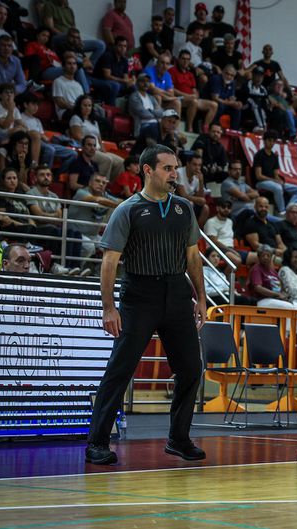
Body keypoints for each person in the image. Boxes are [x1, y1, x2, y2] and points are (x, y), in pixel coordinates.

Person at [86, 145, 207, 465]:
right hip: (140, 294)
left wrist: (202, 297)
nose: (174, 174)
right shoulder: (127, 210)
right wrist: (109, 307)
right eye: (167, 168)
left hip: (177, 292)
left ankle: (179, 438)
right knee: (120, 369)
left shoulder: (183, 208)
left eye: (176, 168)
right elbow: (109, 262)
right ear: (147, 170)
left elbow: (193, 257)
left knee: (192, 368)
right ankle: (97, 442)